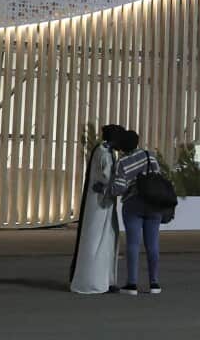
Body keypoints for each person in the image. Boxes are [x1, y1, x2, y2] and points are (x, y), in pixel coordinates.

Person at [70, 124, 123, 294]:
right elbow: (107, 177)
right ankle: (95, 281)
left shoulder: (101, 150)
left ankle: (103, 279)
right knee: (99, 241)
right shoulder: (105, 153)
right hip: (101, 204)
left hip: (101, 203)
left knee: (101, 240)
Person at [110, 130, 165, 295]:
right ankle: (154, 284)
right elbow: (158, 177)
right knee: (153, 244)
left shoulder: (123, 162)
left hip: (134, 204)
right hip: (154, 204)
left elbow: (119, 187)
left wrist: (108, 190)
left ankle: (132, 284)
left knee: (133, 244)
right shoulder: (150, 156)